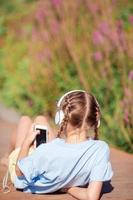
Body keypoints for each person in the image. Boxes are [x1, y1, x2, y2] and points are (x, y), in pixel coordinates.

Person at [2, 90, 113, 200]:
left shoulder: (47, 151)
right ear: (95, 120)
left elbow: (20, 173)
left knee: (24, 121)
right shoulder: (101, 149)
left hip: (26, 166)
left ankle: (8, 158)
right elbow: (91, 197)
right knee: (40, 119)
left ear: (60, 118)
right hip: (48, 164)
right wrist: (68, 188)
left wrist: (26, 143)